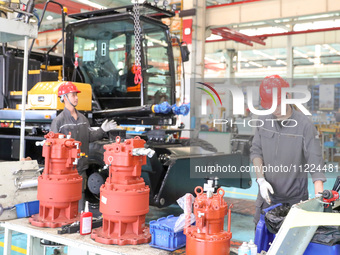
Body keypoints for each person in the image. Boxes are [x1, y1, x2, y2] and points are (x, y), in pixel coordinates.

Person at [250, 75, 326, 226]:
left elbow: (315, 162)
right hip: (267, 199)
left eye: (277, 105)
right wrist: (261, 180)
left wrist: (319, 198)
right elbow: (256, 151)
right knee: (262, 243)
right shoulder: (263, 120)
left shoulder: (305, 126)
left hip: (294, 203)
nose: (274, 110)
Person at [51, 82, 117, 211]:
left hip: (81, 167)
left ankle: (78, 220)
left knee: (80, 195)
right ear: (64, 97)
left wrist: (103, 130)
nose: (76, 98)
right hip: (65, 170)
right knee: (66, 196)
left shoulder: (83, 119)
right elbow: (53, 147)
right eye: (73, 95)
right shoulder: (59, 121)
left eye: (76, 95)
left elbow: (90, 137)